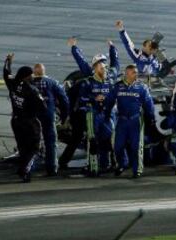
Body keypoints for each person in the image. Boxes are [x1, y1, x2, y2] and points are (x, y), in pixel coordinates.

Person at [59, 38, 120, 171]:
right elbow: (81, 62)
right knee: (91, 140)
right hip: (92, 114)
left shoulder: (112, 75)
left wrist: (112, 47)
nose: (103, 66)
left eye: (104, 63)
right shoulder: (89, 77)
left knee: (111, 139)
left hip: (108, 114)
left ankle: (111, 163)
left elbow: (116, 62)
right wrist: (74, 48)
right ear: (94, 67)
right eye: (100, 64)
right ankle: (93, 165)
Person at [105, 64, 155, 178]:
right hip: (121, 120)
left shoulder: (142, 87)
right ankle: (122, 164)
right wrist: (106, 114)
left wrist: (151, 118)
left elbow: (149, 104)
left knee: (136, 146)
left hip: (135, 120)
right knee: (118, 146)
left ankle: (137, 169)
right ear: (127, 74)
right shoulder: (118, 87)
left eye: (136, 72)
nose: (136, 74)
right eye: (133, 72)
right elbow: (109, 101)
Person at [3, 54, 46, 182]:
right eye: (31, 75)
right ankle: (25, 170)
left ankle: (22, 166)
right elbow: (43, 107)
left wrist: (8, 61)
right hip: (29, 122)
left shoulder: (12, 83)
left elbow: (6, 73)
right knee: (34, 148)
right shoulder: (32, 90)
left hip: (16, 121)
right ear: (27, 76)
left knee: (22, 147)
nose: (32, 76)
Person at [32, 63, 69, 176]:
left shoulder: (28, 83)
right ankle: (52, 168)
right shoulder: (52, 82)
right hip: (48, 116)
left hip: (32, 117)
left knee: (31, 142)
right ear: (44, 71)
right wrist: (64, 116)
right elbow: (64, 100)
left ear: (34, 71)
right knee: (51, 142)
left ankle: (29, 168)